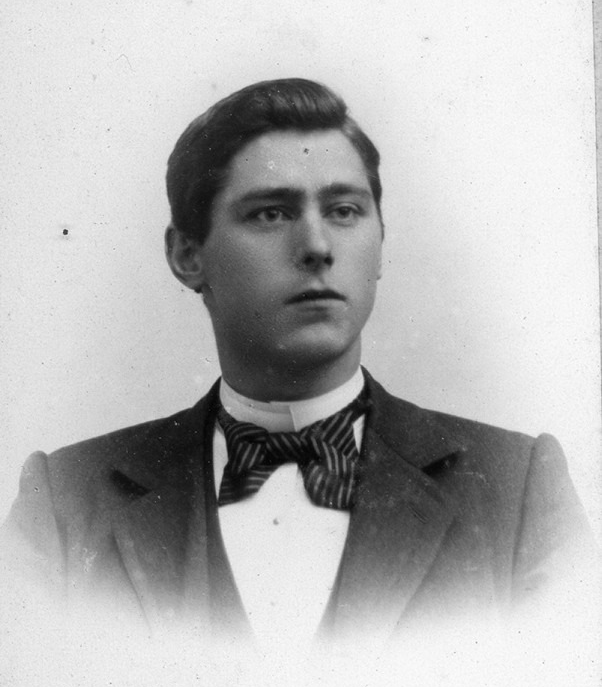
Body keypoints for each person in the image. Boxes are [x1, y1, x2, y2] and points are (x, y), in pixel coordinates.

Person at [1, 78, 595, 651]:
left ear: (380, 243)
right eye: (271, 213)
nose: (317, 246)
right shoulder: (64, 504)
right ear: (187, 255)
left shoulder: (517, 489)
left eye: (344, 210)